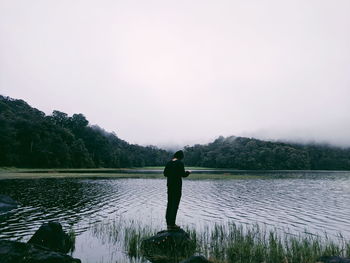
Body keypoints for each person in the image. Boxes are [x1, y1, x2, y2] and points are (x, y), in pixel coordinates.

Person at [163, 150, 190, 230]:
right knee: (175, 205)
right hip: (177, 187)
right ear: (180, 157)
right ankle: (172, 224)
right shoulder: (179, 163)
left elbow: (165, 174)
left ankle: (169, 224)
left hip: (170, 186)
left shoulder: (169, 163)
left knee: (170, 204)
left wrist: (172, 174)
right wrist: (188, 172)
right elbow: (183, 174)